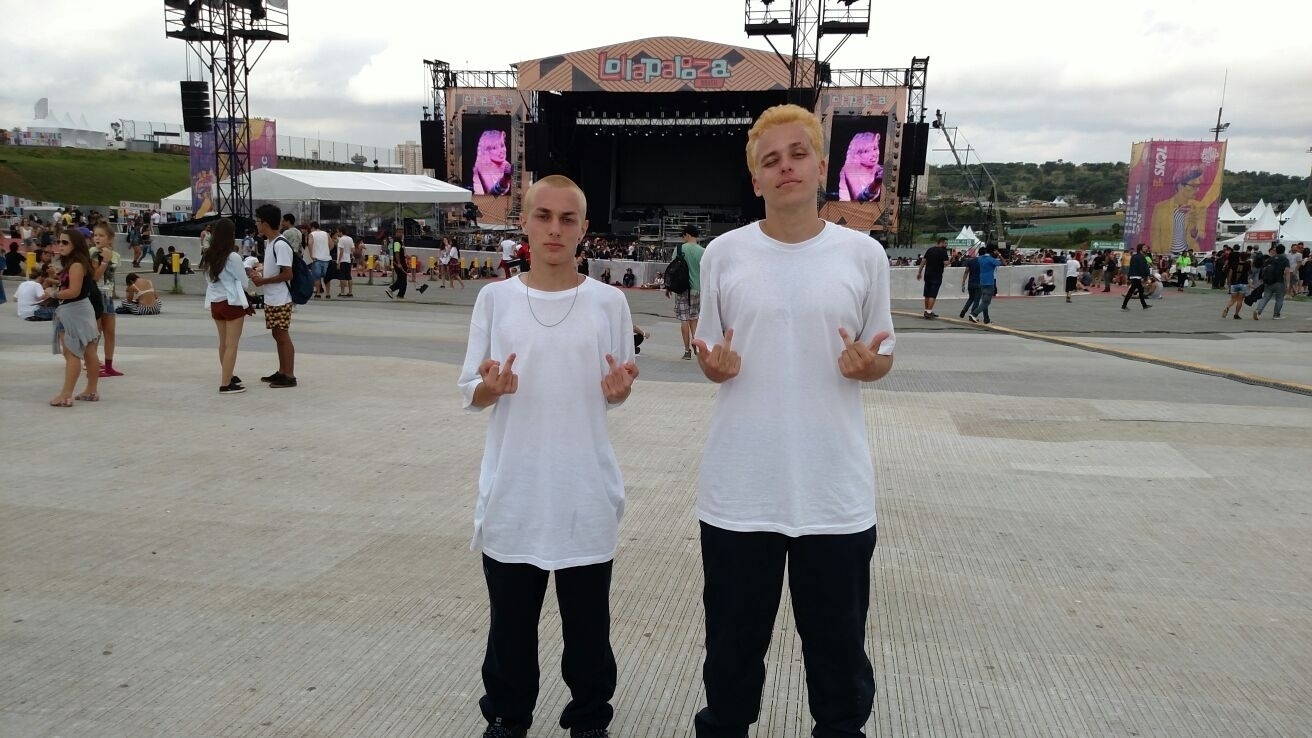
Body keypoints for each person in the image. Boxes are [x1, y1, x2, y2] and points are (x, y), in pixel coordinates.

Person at [691, 104, 894, 738]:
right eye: (770, 160)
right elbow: (711, 354)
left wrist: (868, 367)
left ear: (821, 166)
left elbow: (882, 355)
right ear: (755, 178)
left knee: (838, 654)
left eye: (797, 154)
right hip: (740, 492)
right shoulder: (724, 255)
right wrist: (716, 368)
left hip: (833, 492)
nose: (785, 168)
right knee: (730, 653)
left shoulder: (863, 255)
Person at [457, 174, 637, 738]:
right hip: (514, 490)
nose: (554, 229)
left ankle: (589, 716)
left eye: (567, 219)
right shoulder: (495, 299)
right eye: (543, 216)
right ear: (525, 222)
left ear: (584, 228)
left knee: (589, 625)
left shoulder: (609, 302)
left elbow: (616, 387)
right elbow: (471, 390)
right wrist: (491, 388)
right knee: (510, 625)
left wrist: (619, 392)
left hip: (586, 489)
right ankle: (508, 716)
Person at [46, 230, 101, 407]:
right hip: (82, 310)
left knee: (71, 353)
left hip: (73, 312)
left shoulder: (76, 264)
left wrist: (53, 293)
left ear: (75, 245)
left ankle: (66, 395)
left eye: (65, 242)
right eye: (59, 241)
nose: (60, 245)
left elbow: (73, 292)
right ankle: (91, 390)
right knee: (89, 352)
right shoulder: (78, 263)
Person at [199, 218, 250, 394]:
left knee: (223, 343)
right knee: (232, 345)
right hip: (232, 302)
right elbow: (244, 283)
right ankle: (225, 383)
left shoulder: (208, 255)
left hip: (215, 302)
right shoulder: (232, 256)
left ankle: (228, 374)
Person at [249, 204, 297, 387]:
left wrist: (263, 280)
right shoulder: (270, 243)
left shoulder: (280, 244)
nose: (256, 224)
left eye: (258, 221)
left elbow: (288, 274)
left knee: (282, 336)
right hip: (272, 297)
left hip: (281, 298)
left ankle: (289, 375)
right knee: (277, 335)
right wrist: (260, 272)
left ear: (266, 223)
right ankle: (282, 371)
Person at [666, 225, 705, 359]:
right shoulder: (703, 251)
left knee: (684, 319)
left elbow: (672, 270)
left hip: (682, 289)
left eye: (683, 236)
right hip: (697, 289)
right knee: (694, 318)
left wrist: (668, 287)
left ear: (687, 234)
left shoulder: (679, 249)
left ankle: (687, 351)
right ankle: (697, 345)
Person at [90, 222, 123, 377]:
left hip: (108, 296)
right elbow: (95, 276)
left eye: (101, 235)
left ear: (110, 238)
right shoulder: (92, 253)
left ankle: (109, 365)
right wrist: (104, 261)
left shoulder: (115, 255)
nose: (97, 238)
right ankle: (92, 364)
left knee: (110, 332)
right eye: (95, 235)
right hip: (95, 295)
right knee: (95, 332)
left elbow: (111, 278)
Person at [837, 131, 884, 202]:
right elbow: (858, 201)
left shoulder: (878, 169)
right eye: (866, 151)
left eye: (875, 148)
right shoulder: (849, 168)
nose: (874, 154)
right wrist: (876, 183)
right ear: (857, 155)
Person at [472, 129, 513, 197]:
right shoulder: (481, 166)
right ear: (486, 151)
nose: (501, 151)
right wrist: (505, 179)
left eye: (502, 145)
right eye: (494, 148)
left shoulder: (506, 165)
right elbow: (492, 195)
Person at [1253, 244, 1289, 321]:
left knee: (1265, 297)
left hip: (1268, 281)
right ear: (1283, 251)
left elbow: (1264, 269)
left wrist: (1263, 279)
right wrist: (1288, 283)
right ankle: (1276, 315)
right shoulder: (1285, 259)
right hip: (1279, 281)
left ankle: (1258, 310)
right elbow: (1287, 271)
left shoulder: (1270, 259)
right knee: (1279, 299)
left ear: (1276, 251)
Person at [915, 237, 949, 318]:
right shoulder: (943, 251)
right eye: (945, 243)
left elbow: (923, 261)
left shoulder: (930, 250)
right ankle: (929, 312)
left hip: (927, 274)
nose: (946, 245)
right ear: (941, 242)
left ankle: (926, 310)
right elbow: (946, 263)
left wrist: (919, 272)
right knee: (933, 294)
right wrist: (950, 261)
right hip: (937, 275)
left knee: (927, 294)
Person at [967, 245, 1000, 324]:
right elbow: (1002, 263)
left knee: (984, 301)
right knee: (986, 302)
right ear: (993, 251)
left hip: (982, 281)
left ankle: (986, 319)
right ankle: (974, 314)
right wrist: (999, 255)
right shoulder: (991, 259)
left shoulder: (980, 258)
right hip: (989, 282)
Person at [1121, 243, 1152, 310]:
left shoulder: (1134, 256)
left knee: (1140, 290)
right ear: (1140, 249)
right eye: (1144, 247)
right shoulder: (1141, 257)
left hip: (1134, 275)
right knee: (1132, 291)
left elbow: (1131, 266)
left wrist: (1129, 276)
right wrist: (1144, 276)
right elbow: (1142, 267)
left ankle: (1144, 305)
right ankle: (1124, 305)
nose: (1146, 248)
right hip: (1137, 276)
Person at [385, 231, 408, 300]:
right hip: (400, 264)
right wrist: (399, 263)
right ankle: (399, 295)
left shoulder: (400, 242)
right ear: (396, 234)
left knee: (401, 280)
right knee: (403, 280)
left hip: (401, 263)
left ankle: (394, 292)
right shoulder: (397, 243)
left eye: (402, 233)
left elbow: (400, 253)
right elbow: (396, 253)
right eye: (399, 233)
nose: (401, 234)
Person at [959, 249, 980, 318]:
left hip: (971, 282)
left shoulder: (970, 261)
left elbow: (966, 271)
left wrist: (963, 282)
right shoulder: (982, 262)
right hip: (979, 283)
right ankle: (972, 314)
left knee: (971, 298)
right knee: (976, 300)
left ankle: (963, 311)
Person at [335, 228, 355, 297]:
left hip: (342, 260)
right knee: (349, 276)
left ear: (341, 232)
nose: (337, 233)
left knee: (342, 277)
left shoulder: (341, 239)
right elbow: (353, 250)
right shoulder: (350, 239)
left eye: (338, 232)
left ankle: (342, 292)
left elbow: (341, 251)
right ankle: (350, 292)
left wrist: (339, 262)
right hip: (348, 259)